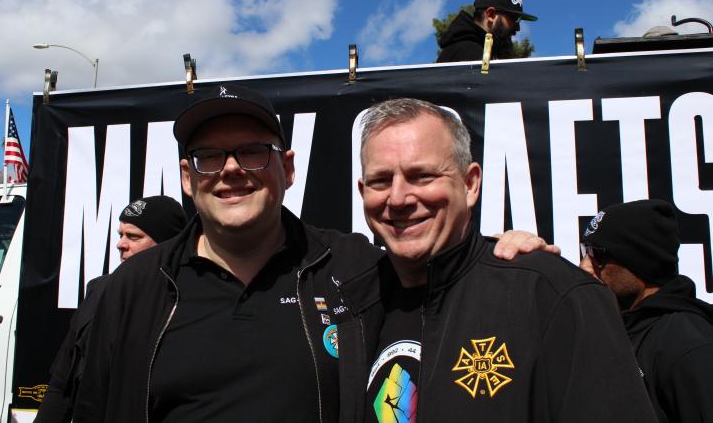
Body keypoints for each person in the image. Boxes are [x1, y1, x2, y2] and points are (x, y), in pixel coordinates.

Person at [72, 85, 554, 423]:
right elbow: (81, 407)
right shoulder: (130, 288)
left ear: (287, 169)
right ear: (186, 177)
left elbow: (436, 259)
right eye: (209, 157)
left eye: (253, 152)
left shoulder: (352, 267)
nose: (232, 170)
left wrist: (501, 251)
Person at [338, 98, 657, 422]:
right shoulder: (350, 305)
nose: (398, 198)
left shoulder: (551, 295)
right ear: (363, 191)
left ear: (470, 183)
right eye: (380, 181)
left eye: (422, 176)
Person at [36, 195, 187, 423]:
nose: (120, 244)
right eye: (121, 235)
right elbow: (62, 381)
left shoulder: (186, 299)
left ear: (166, 243)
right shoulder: (99, 291)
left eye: (134, 236)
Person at [580, 199, 713, 423]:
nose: (585, 265)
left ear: (639, 259)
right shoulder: (614, 327)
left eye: (598, 254)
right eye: (585, 250)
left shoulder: (689, 346)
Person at [436, 0, 537, 63]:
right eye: (514, 19)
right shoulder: (470, 53)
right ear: (491, 14)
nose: (518, 28)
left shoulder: (475, 51)